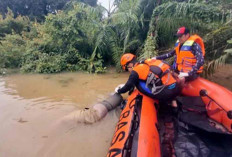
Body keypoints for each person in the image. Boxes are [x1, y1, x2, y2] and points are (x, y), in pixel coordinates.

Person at [115, 53, 181, 103]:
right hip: (176, 87)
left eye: (127, 69)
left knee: (138, 82)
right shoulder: (147, 63)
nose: (128, 71)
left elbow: (127, 86)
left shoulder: (135, 72)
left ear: (129, 65)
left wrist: (119, 91)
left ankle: (166, 109)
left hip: (168, 93)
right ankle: (173, 102)